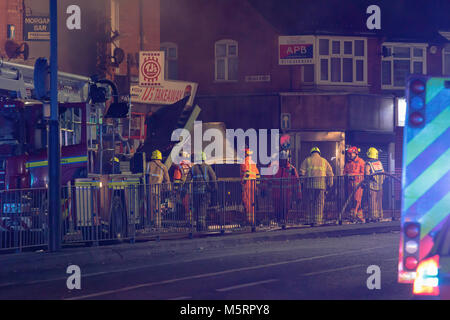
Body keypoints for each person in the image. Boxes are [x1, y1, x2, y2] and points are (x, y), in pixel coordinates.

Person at [184, 152, 218, 231]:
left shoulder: (193, 168)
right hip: (205, 192)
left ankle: (198, 225)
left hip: (195, 192)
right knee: (202, 208)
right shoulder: (208, 167)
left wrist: (183, 191)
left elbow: (187, 180)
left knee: (196, 208)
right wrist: (215, 188)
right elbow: (213, 178)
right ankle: (201, 225)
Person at [300, 147, 334, 226]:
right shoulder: (324, 161)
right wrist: (330, 183)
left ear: (311, 153)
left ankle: (309, 219)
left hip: (309, 185)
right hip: (321, 185)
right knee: (319, 203)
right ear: (319, 153)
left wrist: (302, 183)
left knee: (309, 203)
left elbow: (302, 172)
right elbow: (330, 173)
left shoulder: (307, 160)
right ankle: (318, 220)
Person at [271, 150, 300, 225]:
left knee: (285, 210)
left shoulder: (291, 169)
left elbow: (296, 183)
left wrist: (298, 196)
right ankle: (279, 223)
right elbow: (267, 178)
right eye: (281, 160)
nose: (282, 162)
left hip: (287, 194)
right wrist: (263, 189)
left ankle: (283, 223)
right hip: (276, 194)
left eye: (283, 160)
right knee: (277, 210)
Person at [146, 149, 171, 228]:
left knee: (148, 206)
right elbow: (167, 181)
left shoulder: (147, 165)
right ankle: (157, 224)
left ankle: (148, 223)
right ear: (160, 157)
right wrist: (169, 191)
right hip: (157, 190)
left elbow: (143, 176)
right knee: (157, 207)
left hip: (147, 189)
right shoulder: (163, 167)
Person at [343, 146, 366, 222]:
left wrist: (353, 175)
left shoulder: (361, 162)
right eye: (348, 154)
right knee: (352, 201)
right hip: (350, 185)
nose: (349, 155)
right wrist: (347, 175)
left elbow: (363, 173)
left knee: (357, 200)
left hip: (358, 185)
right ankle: (359, 217)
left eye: (351, 154)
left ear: (355, 153)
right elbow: (344, 172)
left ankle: (354, 216)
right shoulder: (348, 163)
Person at [240, 148, 260, 226]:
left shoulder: (244, 162)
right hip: (253, 185)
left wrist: (242, 183)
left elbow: (246, 173)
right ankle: (253, 220)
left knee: (247, 203)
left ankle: (249, 221)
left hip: (247, 185)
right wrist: (257, 186)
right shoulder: (253, 163)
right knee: (253, 203)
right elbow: (257, 175)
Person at [364, 147, 385, 222]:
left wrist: (365, 182)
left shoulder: (368, 163)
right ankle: (380, 216)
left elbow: (367, 173)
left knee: (372, 202)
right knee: (379, 202)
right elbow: (384, 173)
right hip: (380, 185)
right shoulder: (379, 163)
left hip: (372, 186)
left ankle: (373, 217)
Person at [171, 151, 192, 223]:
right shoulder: (191, 165)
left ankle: (187, 221)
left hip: (183, 188)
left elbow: (176, 180)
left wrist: (175, 190)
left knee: (185, 204)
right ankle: (191, 220)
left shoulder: (179, 167)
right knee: (191, 204)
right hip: (192, 187)